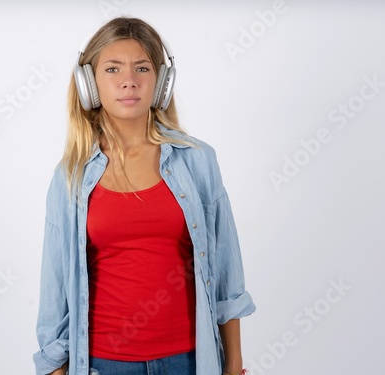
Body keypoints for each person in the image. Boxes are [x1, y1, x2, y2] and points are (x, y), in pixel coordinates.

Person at [33, 16, 256, 375]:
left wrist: (234, 366)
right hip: (102, 364)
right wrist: (55, 369)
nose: (128, 81)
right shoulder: (71, 176)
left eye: (142, 68)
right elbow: (54, 288)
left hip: (189, 361)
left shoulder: (198, 161)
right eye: (112, 69)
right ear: (89, 84)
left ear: (162, 82)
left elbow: (228, 273)